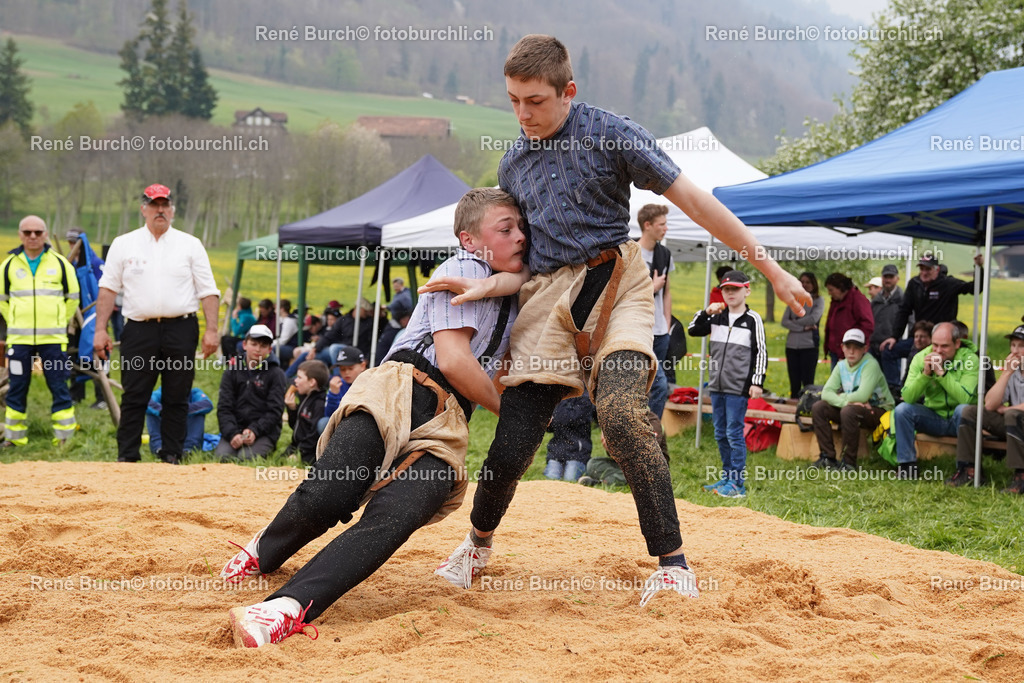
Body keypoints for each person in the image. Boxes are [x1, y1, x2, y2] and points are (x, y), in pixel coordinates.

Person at [424, 35, 810, 607]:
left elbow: (694, 201)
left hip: (619, 283)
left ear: (568, 90)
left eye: (535, 101)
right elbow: (522, 256)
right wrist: (490, 283)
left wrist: (771, 270)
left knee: (624, 416)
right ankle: (476, 545)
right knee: (513, 441)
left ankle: (673, 566)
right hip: (547, 297)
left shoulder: (613, 134)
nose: (523, 114)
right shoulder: (513, 163)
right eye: (513, 101)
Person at [222, 187, 525, 648]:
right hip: (400, 386)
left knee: (400, 514)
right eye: (505, 229)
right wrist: (514, 415)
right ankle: (265, 549)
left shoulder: (518, 293)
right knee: (330, 495)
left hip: (449, 420)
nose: (519, 236)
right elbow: (454, 362)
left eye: (522, 228)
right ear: (469, 240)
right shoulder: (464, 267)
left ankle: (283, 609)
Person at [94, 183, 220, 464]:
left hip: (181, 328)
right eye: (154, 205)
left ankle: (171, 455)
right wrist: (100, 329)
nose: (159, 210)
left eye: (165, 205)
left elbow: (208, 291)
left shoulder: (190, 244)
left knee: (177, 395)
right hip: (139, 329)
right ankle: (127, 456)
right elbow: (108, 288)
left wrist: (212, 330)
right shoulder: (123, 244)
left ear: (172, 210)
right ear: (144, 209)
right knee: (134, 394)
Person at [0, 216, 79, 448]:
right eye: (27, 232)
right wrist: (14, 320)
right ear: (20, 235)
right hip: (19, 340)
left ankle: (64, 437)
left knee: (59, 385)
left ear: (45, 234)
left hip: (53, 340)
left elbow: (73, 298)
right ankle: (14, 438)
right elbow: (2, 300)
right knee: (16, 387)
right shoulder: (8, 265)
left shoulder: (61, 264)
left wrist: (59, 322)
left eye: (37, 232)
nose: (32, 236)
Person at [688, 270, 766, 498]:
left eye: (735, 289)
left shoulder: (753, 320)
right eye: (726, 290)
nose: (730, 293)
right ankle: (727, 476)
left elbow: (761, 351)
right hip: (716, 385)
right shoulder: (717, 317)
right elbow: (693, 330)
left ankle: (737, 484)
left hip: (738, 387)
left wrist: (757, 381)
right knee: (720, 433)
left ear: (747, 291)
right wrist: (705, 312)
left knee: (733, 433)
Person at [880, 252, 984, 384]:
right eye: (922, 269)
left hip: (942, 341)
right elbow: (904, 311)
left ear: (937, 269)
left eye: (928, 269)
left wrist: (979, 268)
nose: (924, 272)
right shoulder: (914, 284)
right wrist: (894, 336)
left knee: (921, 362)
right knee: (888, 351)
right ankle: (894, 388)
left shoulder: (948, 283)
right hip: (919, 338)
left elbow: (975, 288)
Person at [893, 322, 979, 480]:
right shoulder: (921, 357)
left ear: (957, 343)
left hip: (961, 421)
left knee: (963, 409)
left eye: (944, 346)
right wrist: (925, 375)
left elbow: (964, 398)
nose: (938, 351)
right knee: (902, 410)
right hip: (933, 417)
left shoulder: (970, 359)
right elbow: (908, 397)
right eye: (935, 345)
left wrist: (942, 374)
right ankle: (907, 466)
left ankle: (965, 468)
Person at [947, 322, 1024, 493]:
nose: (1015, 351)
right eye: (1013, 345)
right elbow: (990, 404)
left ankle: (1021, 476)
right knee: (970, 412)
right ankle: (969, 470)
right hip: (1014, 424)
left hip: (1015, 420)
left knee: (1011, 414)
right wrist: (1006, 374)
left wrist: (1008, 410)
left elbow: (1009, 410)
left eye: (1021, 346)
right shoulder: (1014, 371)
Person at [809, 328, 894, 471]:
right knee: (819, 407)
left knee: (848, 411)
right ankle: (827, 457)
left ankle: (848, 463)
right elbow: (826, 393)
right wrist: (846, 401)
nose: (852, 351)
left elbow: (862, 395)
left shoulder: (871, 364)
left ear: (865, 349)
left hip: (880, 411)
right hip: (854, 407)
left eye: (857, 347)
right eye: (848, 347)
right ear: (842, 348)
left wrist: (841, 398)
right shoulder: (841, 365)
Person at [215, 324, 287, 461]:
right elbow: (224, 407)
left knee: (246, 458)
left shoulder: (277, 374)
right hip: (235, 427)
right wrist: (232, 433)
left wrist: (255, 430)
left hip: (263, 432)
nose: (258, 349)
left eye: (263, 346)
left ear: (270, 349)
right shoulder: (231, 371)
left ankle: (266, 445)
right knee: (223, 457)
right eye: (253, 344)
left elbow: (275, 411)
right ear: (244, 345)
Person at [637, 203, 674, 419]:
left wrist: (667, 324)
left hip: (660, 332)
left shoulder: (665, 254)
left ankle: (648, 429)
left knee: (652, 386)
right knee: (658, 385)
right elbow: (622, 293)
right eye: (662, 224)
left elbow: (667, 293)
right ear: (647, 225)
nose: (666, 228)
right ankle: (649, 429)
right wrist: (652, 287)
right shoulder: (630, 252)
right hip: (637, 331)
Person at [781, 271, 824, 398]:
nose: (805, 285)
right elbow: (784, 321)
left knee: (807, 382)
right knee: (794, 382)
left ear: (813, 284)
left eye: (808, 282)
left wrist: (794, 321)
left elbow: (813, 319)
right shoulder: (793, 300)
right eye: (802, 282)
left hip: (809, 346)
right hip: (791, 346)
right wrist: (803, 328)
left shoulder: (818, 300)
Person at [823, 272, 874, 369]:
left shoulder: (858, 300)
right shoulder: (836, 301)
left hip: (851, 353)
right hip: (836, 351)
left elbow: (867, 324)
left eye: (831, 290)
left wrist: (852, 346)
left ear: (840, 288)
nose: (829, 293)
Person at [283, 360, 329, 466]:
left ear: (312, 382)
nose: (295, 381)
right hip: (296, 445)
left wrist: (300, 452)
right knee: (279, 460)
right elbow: (294, 426)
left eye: (299, 377)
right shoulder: (303, 396)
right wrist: (292, 409)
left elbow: (314, 435)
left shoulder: (319, 404)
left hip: (309, 451)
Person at [542, 392, 594, 481]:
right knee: (551, 479)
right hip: (556, 452)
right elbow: (550, 427)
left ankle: (587, 476)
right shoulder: (558, 395)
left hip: (578, 453)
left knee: (570, 480)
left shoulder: (585, 397)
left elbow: (572, 419)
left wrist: (554, 417)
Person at [146, 386, 213, 454]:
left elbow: (207, 404)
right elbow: (148, 403)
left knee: (199, 412)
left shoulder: (194, 392)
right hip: (166, 427)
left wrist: (181, 410)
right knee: (151, 411)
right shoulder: (160, 392)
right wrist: (165, 411)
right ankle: (159, 448)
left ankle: (189, 449)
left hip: (186, 430)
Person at [869, 264, 904, 385]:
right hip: (873, 346)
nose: (888, 280)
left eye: (891, 277)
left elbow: (911, 321)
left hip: (891, 347)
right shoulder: (876, 300)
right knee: (872, 383)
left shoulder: (902, 299)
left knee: (891, 384)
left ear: (897, 279)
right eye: (885, 277)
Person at [321, 345, 368, 431]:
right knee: (323, 423)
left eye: (350, 368)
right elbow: (329, 415)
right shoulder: (338, 385)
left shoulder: (370, 383)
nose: (346, 372)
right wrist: (334, 394)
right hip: (342, 424)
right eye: (342, 369)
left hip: (363, 426)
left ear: (363, 366)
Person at [375, 295, 413, 364]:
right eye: (408, 319)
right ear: (402, 320)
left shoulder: (391, 327)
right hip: (383, 363)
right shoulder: (397, 332)